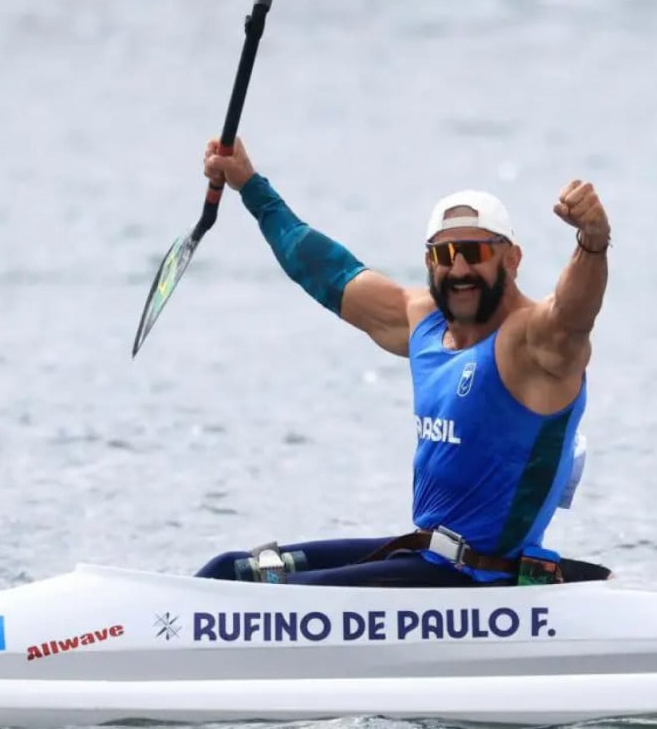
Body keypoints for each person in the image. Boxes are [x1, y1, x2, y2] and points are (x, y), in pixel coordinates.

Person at [194, 136, 612, 587]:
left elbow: (573, 316)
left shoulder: (533, 343)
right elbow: (326, 270)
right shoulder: (425, 325)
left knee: (261, 594)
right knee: (228, 570)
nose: (458, 269)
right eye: (442, 256)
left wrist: (592, 242)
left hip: (485, 583)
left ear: (512, 259)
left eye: (474, 253)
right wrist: (251, 187)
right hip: (429, 558)